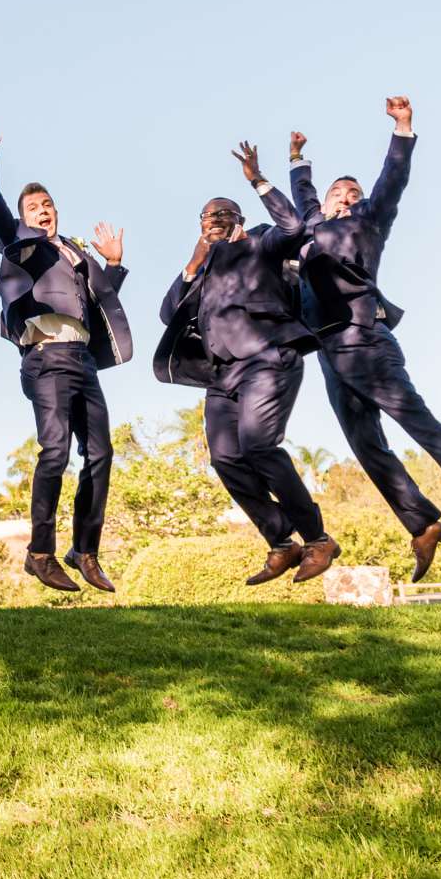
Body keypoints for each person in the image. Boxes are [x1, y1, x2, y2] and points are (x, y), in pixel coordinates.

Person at [264, 97, 441, 579]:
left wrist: (403, 128)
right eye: (339, 191)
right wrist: (297, 158)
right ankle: (421, 523)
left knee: (417, 423)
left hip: (366, 340)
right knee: (367, 446)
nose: (347, 195)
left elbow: (392, 180)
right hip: (329, 353)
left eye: (352, 191)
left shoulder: (369, 220)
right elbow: (303, 202)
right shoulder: (311, 230)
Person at [155, 147, 337, 585]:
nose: (215, 220)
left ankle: (317, 539)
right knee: (225, 458)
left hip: (267, 358)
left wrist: (258, 181)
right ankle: (280, 542)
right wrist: (195, 261)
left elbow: (294, 225)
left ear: (238, 219)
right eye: (207, 217)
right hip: (221, 375)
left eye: (223, 214)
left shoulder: (261, 240)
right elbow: (168, 314)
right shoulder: (201, 266)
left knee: (258, 445)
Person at [0, 117, 134, 594]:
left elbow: (93, 302)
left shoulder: (73, 251)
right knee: (55, 450)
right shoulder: (20, 246)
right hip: (45, 358)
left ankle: (84, 549)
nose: (42, 212)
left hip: (82, 359)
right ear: (24, 217)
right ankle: (39, 552)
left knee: (101, 452)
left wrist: (114, 264)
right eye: (33, 207)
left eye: (48, 205)